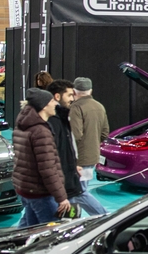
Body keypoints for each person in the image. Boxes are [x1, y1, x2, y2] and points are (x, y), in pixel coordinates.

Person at [47, 79, 107, 216]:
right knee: (77, 192)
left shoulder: (75, 108)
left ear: (75, 92)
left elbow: (75, 134)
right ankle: (74, 219)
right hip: (92, 156)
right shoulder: (99, 106)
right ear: (91, 90)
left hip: (79, 158)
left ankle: (104, 217)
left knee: (78, 192)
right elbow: (105, 132)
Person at [13, 87, 71, 226]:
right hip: (40, 193)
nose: (55, 103)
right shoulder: (41, 132)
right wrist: (61, 198)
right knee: (52, 230)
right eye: (52, 101)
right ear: (44, 106)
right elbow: (48, 169)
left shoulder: (23, 125)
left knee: (29, 228)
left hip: (26, 189)